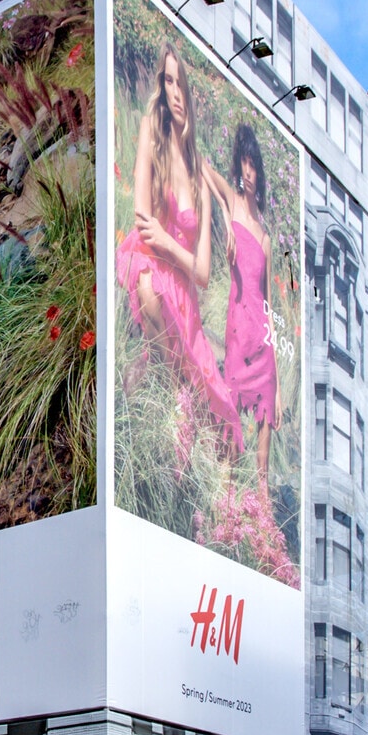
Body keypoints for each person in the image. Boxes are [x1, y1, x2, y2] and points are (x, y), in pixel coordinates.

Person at [115, 44, 241, 450]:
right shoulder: (151, 130)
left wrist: (175, 240)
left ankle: (169, 417)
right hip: (149, 262)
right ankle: (161, 413)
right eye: (168, 81)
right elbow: (142, 220)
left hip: (184, 292)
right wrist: (168, 248)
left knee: (222, 420)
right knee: (149, 287)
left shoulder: (199, 172)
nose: (175, 93)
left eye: (181, 84)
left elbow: (202, 274)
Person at [203, 121, 279, 483]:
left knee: (263, 459)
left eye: (254, 166)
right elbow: (201, 166)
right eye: (244, 164)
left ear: (259, 173)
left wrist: (279, 385)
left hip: (262, 342)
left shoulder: (265, 238)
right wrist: (222, 207)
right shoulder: (232, 202)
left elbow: (269, 308)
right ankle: (227, 505)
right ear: (238, 164)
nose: (248, 173)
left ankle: (262, 511)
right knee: (230, 426)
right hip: (237, 334)